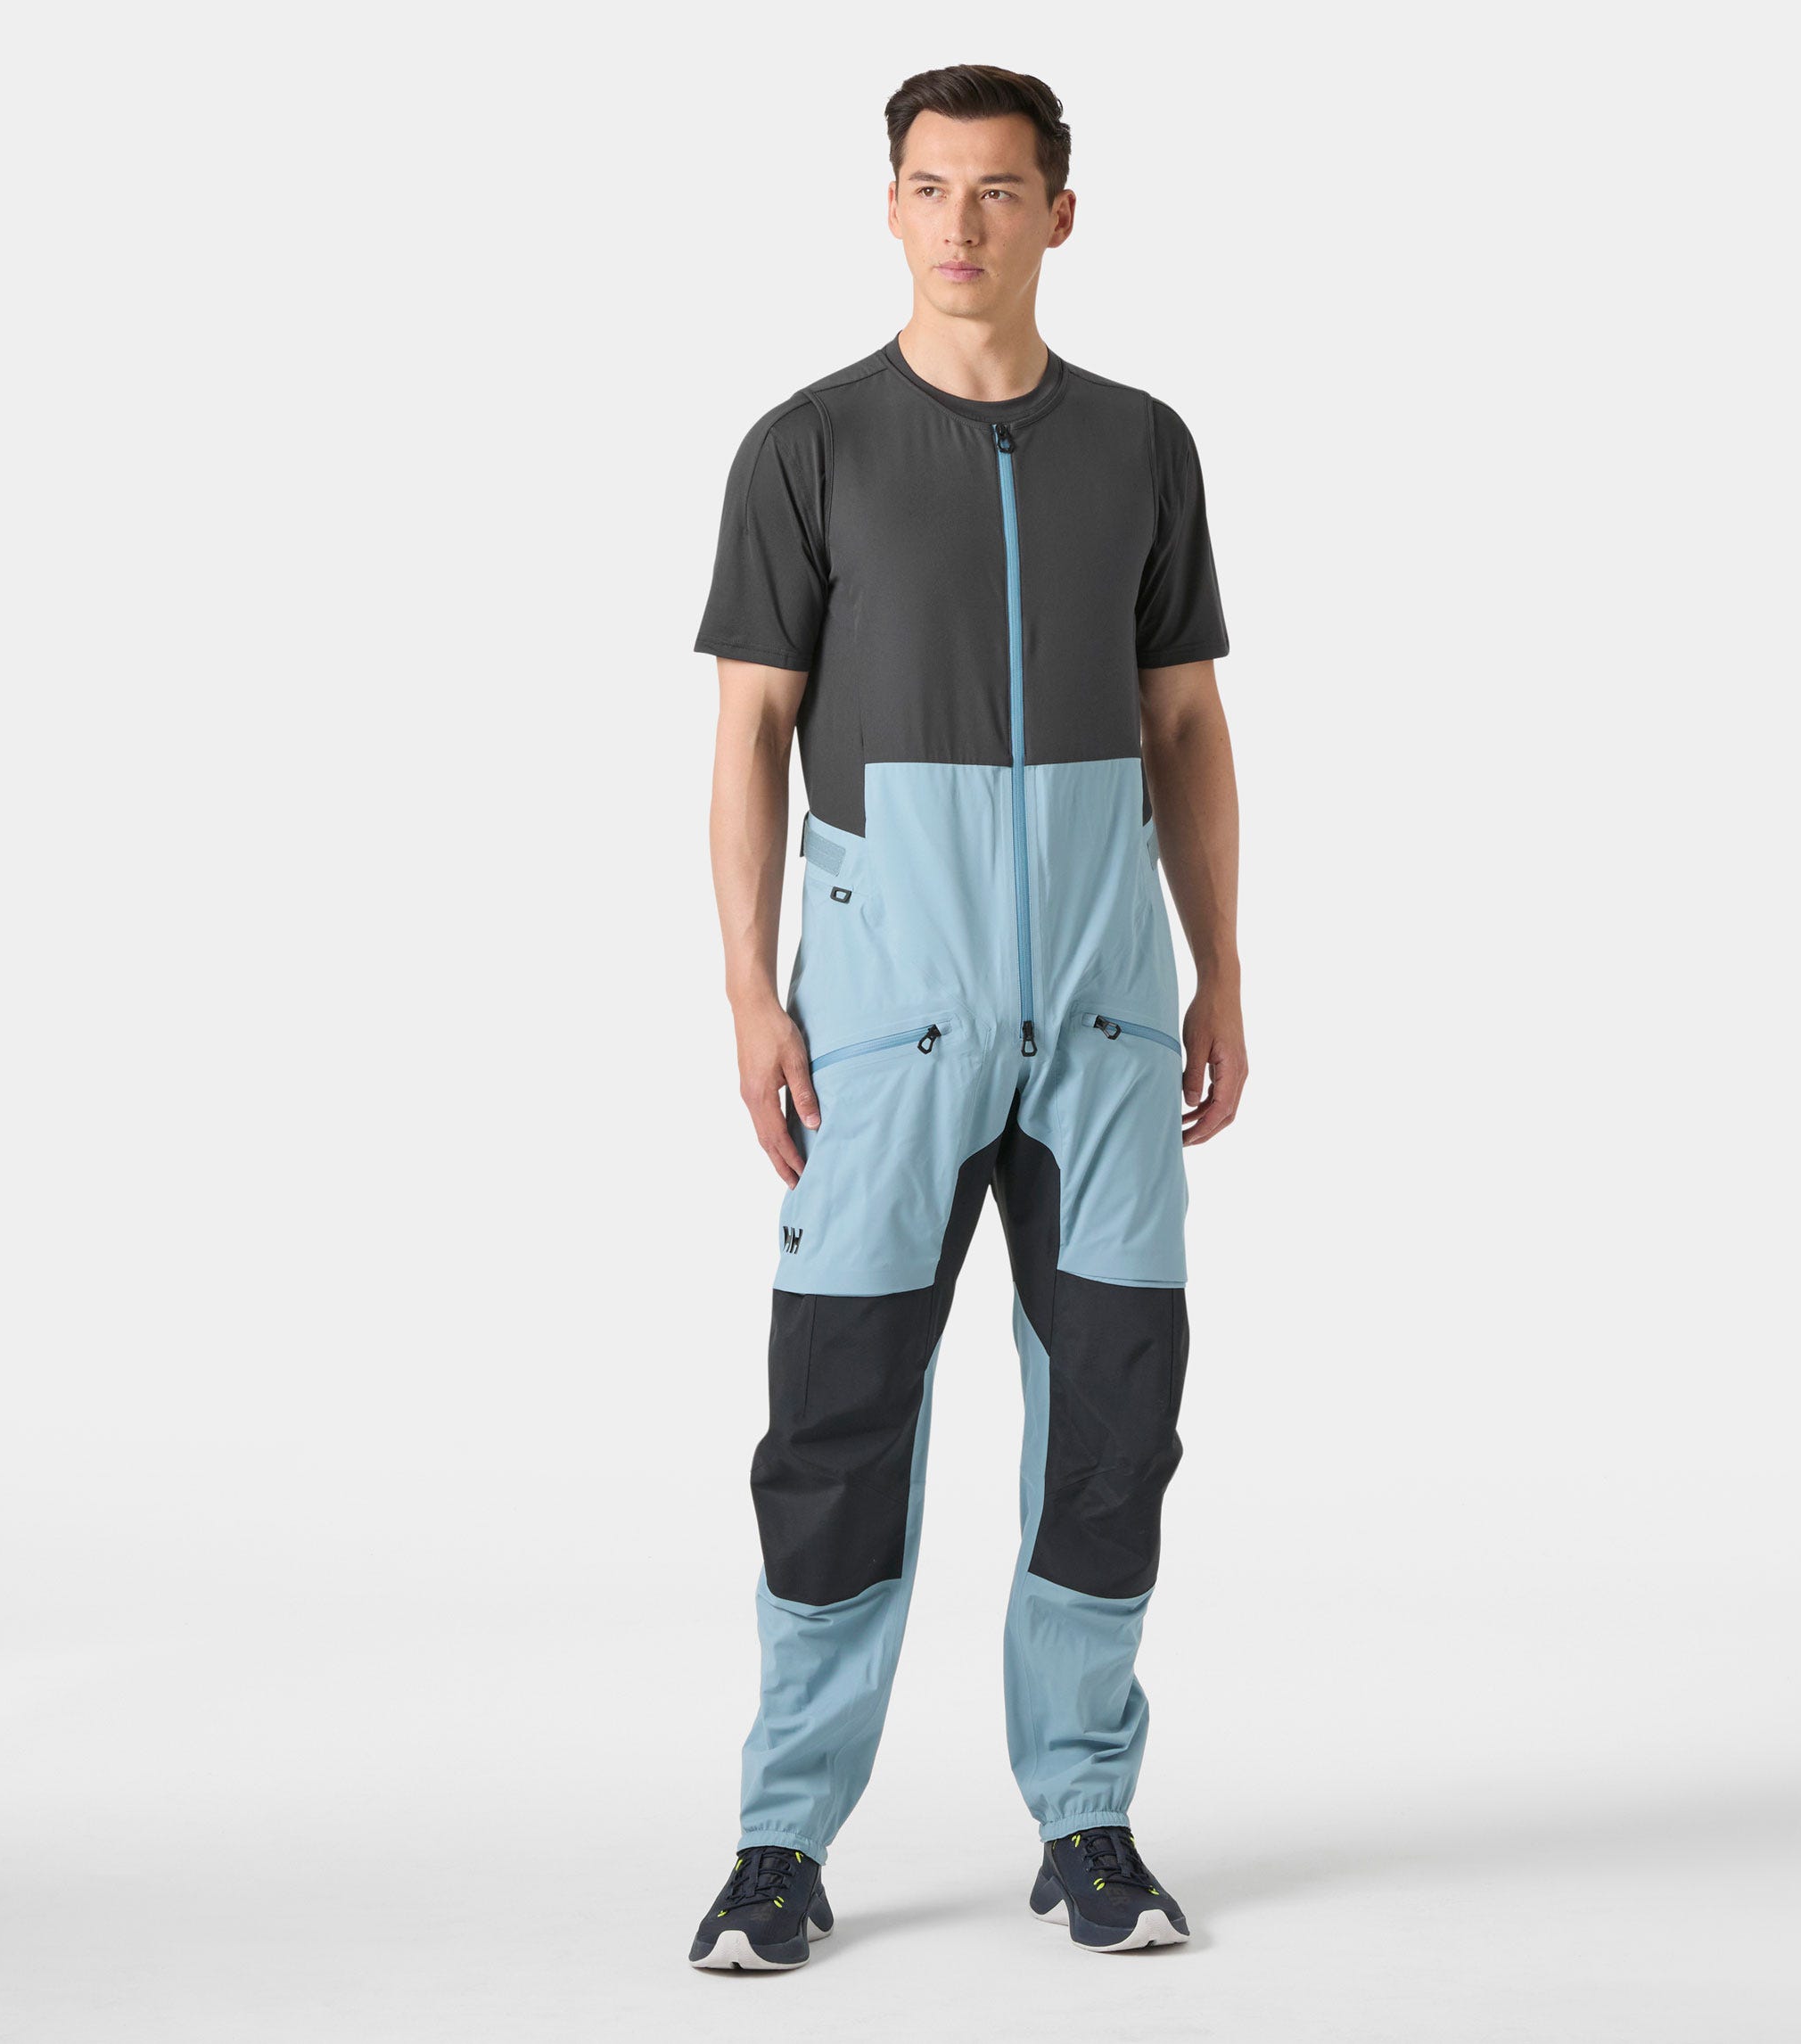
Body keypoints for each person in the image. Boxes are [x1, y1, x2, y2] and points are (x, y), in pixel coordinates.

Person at [688, 63, 1246, 1968]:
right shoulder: (808, 448)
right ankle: (782, 1840)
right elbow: (750, 734)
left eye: (1000, 191)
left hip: (1103, 1026)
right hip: (880, 1029)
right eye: (930, 187)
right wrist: (750, 993)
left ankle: (1087, 1816)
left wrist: (1222, 968)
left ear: (1058, 215)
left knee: (1117, 1423)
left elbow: (1186, 722)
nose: (962, 223)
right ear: (891, 205)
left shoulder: (1143, 447)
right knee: (835, 1422)